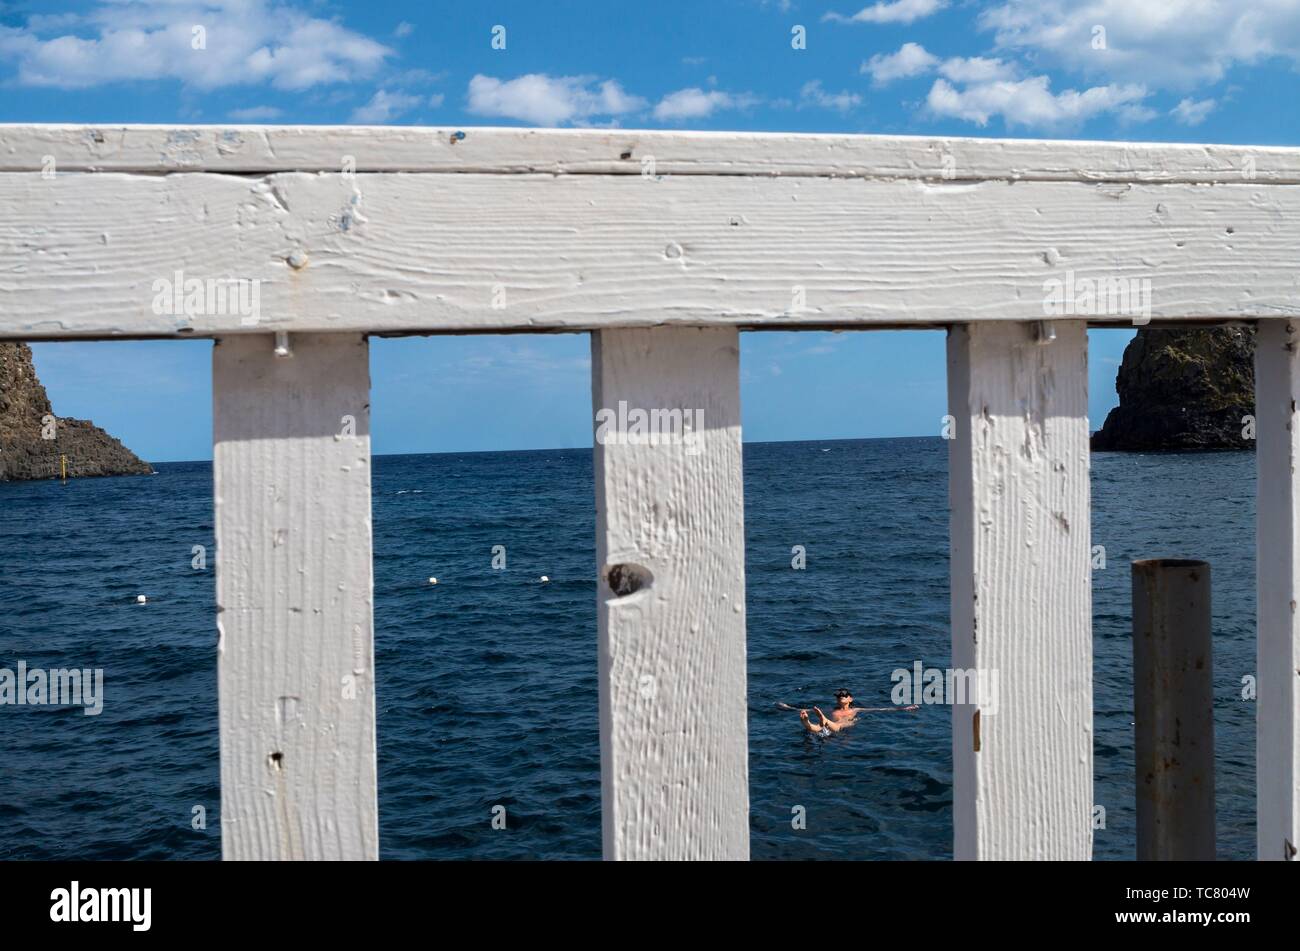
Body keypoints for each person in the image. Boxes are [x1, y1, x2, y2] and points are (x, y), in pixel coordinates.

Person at [797, 688, 919, 737]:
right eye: (838, 696)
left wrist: (904, 708)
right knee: (817, 728)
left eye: (844, 695)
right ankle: (806, 722)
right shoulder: (832, 710)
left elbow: (880, 709)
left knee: (841, 723)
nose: (840, 697)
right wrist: (787, 707)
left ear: (851, 699)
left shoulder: (855, 709)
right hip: (830, 724)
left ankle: (824, 720)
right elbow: (805, 709)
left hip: (845, 724)